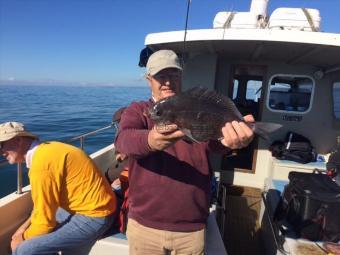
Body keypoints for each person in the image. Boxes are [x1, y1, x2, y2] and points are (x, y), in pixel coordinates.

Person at [115, 49, 255, 255]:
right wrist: (150, 140)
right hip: (144, 225)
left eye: (173, 75)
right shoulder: (139, 110)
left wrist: (232, 142)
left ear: (181, 76)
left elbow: (215, 145)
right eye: (160, 76)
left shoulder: (194, 105)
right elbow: (123, 140)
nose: (167, 82)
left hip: (191, 227)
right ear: (149, 79)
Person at [0, 121, 116, 255]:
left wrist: (21, 240)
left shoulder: (41, 165)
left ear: (18, 140)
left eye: (1, 145)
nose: (1, 152)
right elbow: (42, 209)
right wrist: (21, 230)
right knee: (30, 222)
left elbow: (45, 222)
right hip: (91, 206)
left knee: (25, 250)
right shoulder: (48, 149)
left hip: (96, 216)